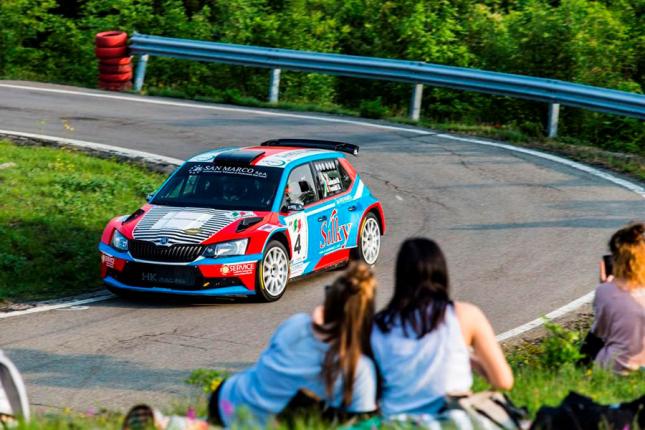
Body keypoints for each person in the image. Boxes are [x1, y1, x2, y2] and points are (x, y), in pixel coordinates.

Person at [123, 262, 378, 429]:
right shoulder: (358, 368)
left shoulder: (296, 324)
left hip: (230, 396)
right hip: (273, 420)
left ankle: (174, 423)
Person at [370, 238, 513, 419]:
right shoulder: (466, 315)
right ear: (441, 273)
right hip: (453, 419)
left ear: (400, 276)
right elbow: (503, 381)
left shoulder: (378, 325)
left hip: (397, 422)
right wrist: (472, 360)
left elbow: (370, 391)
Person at [588, 222, 645, 373]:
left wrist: (605, 288)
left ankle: (579, 374)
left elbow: (601, 333)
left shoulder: (605, 291)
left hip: (615, 368)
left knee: (591, 341)